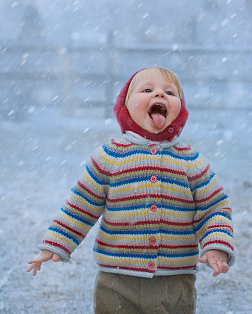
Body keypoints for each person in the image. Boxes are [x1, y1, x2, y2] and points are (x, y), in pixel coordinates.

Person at [27, 66, 235, 314]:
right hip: (116, 281)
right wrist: (56, 243)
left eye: (169, 92)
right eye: (147, 90)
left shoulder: (191, 162)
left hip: (175, 281)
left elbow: (214, 208)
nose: (159, 95)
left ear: (180, 107)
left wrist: (216, 244)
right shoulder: (110, 157)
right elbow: (80, 206)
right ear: (126, 107)